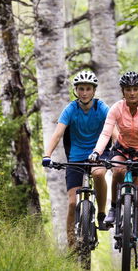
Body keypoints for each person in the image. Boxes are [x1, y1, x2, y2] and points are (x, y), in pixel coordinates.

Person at [88, 71, 138, 269]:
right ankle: (115, 208)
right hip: (122, 150)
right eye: (128, 90)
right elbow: (106, 132)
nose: (132, 93)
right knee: (117, 171)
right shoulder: (116, 108)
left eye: (135, 89)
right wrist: (97, 152)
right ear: (123, 92)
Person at [42, 70, 114, 250]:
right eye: (81, 88)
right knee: (73, 203)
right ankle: (71, 244)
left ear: (94, 91)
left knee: (98, 174)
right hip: (75, 157)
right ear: (75, 90)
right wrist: (47, 155)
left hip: (99, 153)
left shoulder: (102, 107)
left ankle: (102, 214)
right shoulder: (70, 109)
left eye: (88, 89)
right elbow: (58, 134)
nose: (84, 92)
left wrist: (120, 148)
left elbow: (114, 131)